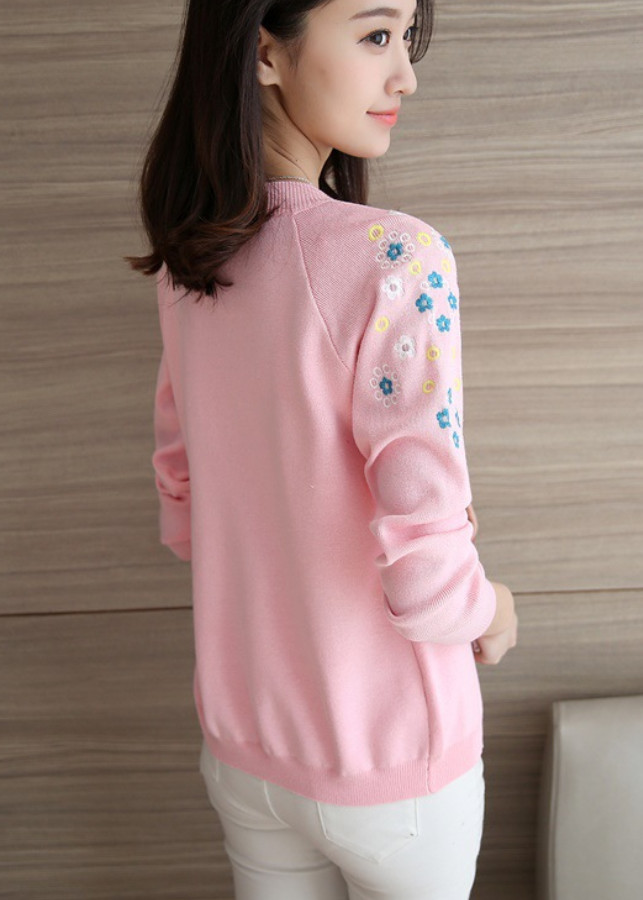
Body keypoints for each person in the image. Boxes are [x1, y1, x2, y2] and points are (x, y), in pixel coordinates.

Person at [127, 0, 518, 897]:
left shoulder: (191, 267)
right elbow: (427, 579)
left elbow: (183, 508)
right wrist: (494, 609)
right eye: (376, 35)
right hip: (392, 769)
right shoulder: (395, 257)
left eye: (404, 40)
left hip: (246, 752)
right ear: (265, 53)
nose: (404, 75)